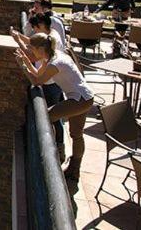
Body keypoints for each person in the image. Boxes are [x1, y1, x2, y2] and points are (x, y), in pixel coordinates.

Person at [15, 33, 94, 182]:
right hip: (86, 97)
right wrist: (26, 61)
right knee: (76, 135)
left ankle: (49, 157)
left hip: (80, 99)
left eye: (32, 49)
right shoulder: (53, 55)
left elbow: (37, 82)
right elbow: (38, 73)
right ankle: (74, 169)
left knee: (46, 118)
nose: (31, 52)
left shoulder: (54, 64)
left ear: (40, 48)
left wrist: (22, 66)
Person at [13, 13, 67, 160]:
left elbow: (36, 79)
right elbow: (37, 69)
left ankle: (55, 151)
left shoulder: (52, 56)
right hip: (55, 85)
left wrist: (23, 63)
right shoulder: (48, 51)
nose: (34, 31)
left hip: (59, 88)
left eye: (35, 28)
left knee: (51, 118)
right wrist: (25, 59)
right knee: (52, 117)